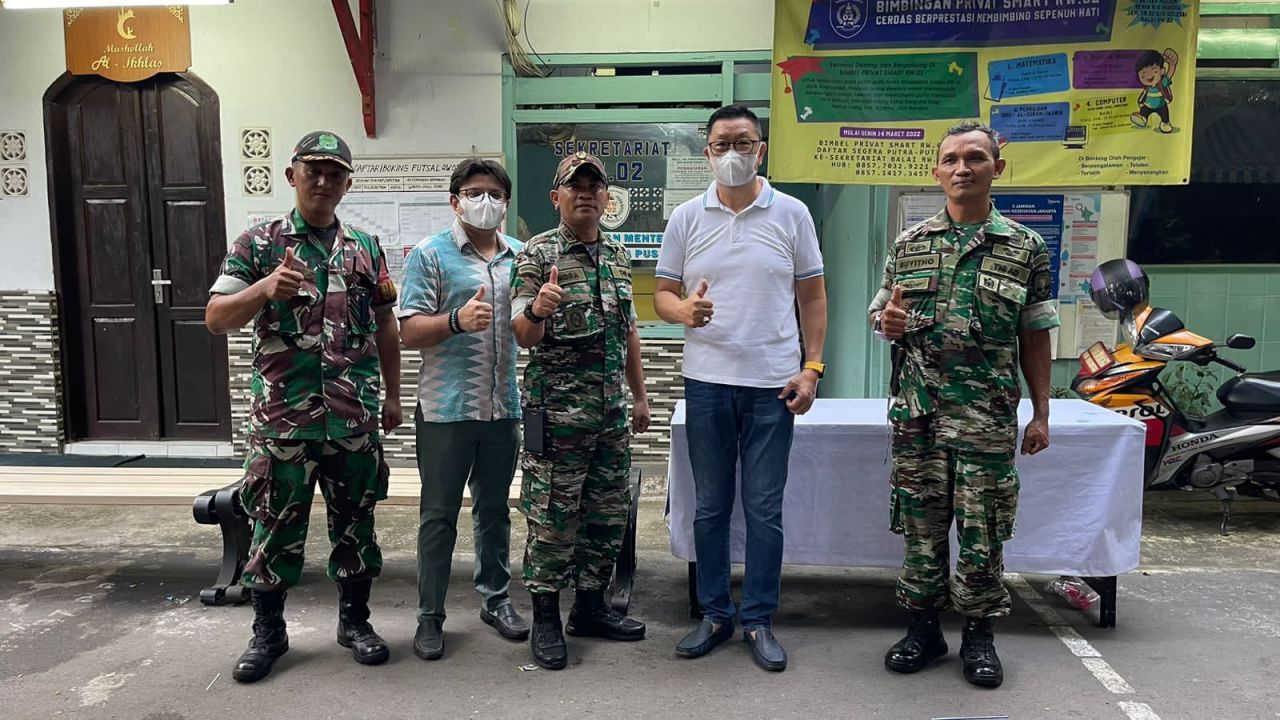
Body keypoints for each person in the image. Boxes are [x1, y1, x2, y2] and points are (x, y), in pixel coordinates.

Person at [206, 130, 402, 682]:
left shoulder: (366, 247)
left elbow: (386, 325)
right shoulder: (259, 243)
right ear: (292, 175)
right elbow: (216, 317)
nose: (323, 181)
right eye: (312, 170)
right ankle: (268, 633)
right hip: (283, 426)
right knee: (273, 531)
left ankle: (355, 623)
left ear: (347, 183)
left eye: (334, 173)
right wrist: (264, 289)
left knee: (357, 527)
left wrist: (392, 395)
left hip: (353, 419)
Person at [868, 120, 1058, 688]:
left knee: (983, 528)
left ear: (998, 168)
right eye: (951, 158)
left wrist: (1041, 412)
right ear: (936, 172)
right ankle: (923, 628)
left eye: (975, 157)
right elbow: (881, 314)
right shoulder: (910, 243)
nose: (962, 168)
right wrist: (887, 322)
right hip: (918, 415)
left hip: (985, 418)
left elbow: (1036, 335)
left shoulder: (1026, 248)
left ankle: (979, 633)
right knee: (921, 525)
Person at [656, 105, 827, 673]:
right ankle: (713, 613)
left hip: (772, 384)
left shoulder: (792, 213)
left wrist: (812, 367)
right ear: (707, 153)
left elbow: (813, 297)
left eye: (744, 142)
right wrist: (683, 310)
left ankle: (757, 618)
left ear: (761, 149)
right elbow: (661, 295)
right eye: (722, 144)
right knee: (709, 507)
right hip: (706, 382)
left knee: (763, 509)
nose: (733, 153)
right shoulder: (686, 217)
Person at [509, 151, 651, 670]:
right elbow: (521, 335)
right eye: (575, 186)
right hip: (556, 419)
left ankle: (590, 609)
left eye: (595, 186)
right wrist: (537, 309)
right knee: (552, 518)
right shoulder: (537, 253)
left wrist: (639, 395)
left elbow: (628, 330)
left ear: (607, 198)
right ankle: (546, 617)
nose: (586, 193)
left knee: (606, 516)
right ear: (557, 197)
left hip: (610, 415)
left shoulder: (617, 255)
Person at [398, 158, 527, 661]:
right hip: (446, 411)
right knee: (439, 516)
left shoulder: (519, 255)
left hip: (502, 409)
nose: (485, 202)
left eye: (495, 194)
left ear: (506, 203)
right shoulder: (429, 254)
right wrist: (455, 320)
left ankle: (496, 600)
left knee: (495, 511)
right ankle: (430, 616)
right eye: (475, 193)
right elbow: (409, 331)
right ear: (455, 201)